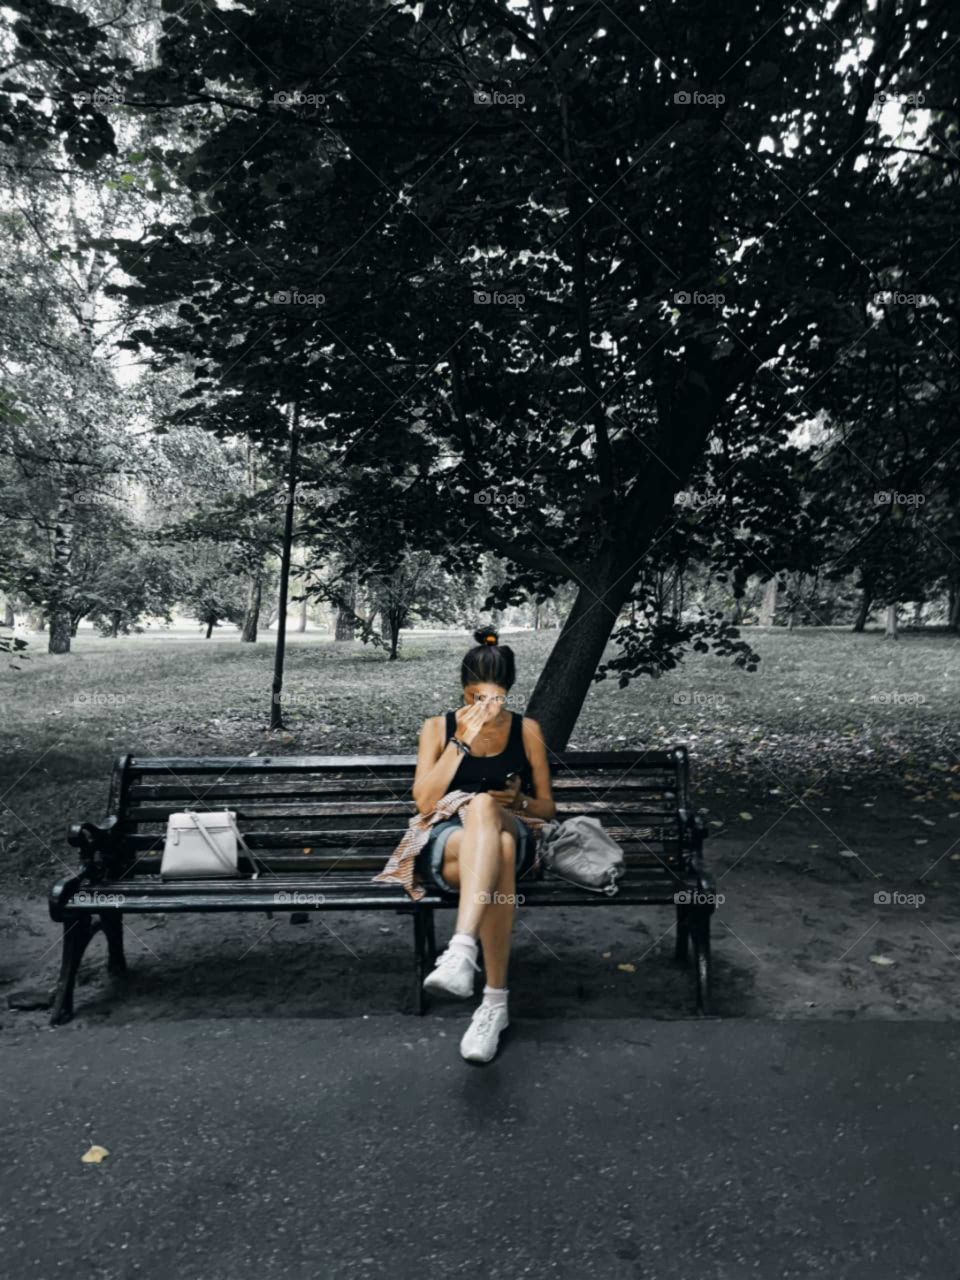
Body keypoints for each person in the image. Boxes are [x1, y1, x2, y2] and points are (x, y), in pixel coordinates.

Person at [411, 626, 556, 1063]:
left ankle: (461, 950)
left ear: (507, 692)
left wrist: (521, 801)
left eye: (495, 698)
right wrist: (461, 742)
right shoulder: (437, 728)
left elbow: (547, 808)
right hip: (450, 840)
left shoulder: (526, 730)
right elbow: (425, 803)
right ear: (464, 690)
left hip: (514, 825)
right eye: (477, 698)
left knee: (486, 808)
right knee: (498, 848)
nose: (487, 707)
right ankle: (494, 1003)